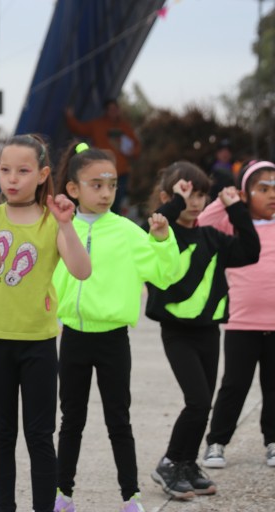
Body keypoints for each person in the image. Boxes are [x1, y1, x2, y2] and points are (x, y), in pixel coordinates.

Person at [0, 134, 91, 512]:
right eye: (5, 170)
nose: (12, 179)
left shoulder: (53, 221)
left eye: (23, 171)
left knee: (39, 436)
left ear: (42, 174)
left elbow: (81, 270)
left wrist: (66, 225)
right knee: (1, 436)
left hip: (38, 342)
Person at [51, 142, 180, 512]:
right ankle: (62, 494)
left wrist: (162, 240)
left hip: (113, 340)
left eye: (112, 184)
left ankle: (130, 496)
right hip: (73, 336)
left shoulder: (127, 231)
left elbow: (165, 274)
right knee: (71, 421)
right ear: (73, 188)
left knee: (118, 420)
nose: (106, 193)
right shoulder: (60, 227)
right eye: (96, 185)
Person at [145, 162, 259, 500]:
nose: (195, 202)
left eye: (200, 195)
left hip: (208, 331)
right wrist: (175, 203)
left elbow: (250, 251)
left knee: (204, 403)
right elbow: (156, 226)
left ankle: (187, 463)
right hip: (177, 332)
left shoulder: (210, 236)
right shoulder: (163, 235)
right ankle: (169, 462)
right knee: (196, 401)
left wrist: (235, 209)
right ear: (167, 198)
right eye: (187, 195)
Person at [198, 160, 275, 470]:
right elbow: (202, 223)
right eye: (263, 189)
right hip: (242, 322)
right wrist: (225, 202)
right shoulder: (234, 226)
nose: (272, 195)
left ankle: (273, 441)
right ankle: (217, 442)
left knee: (273, 387)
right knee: (234, 385)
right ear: (245, 194)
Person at [65, 99, 140, 215]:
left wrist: (132, 152)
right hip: (101, 172)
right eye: (110, 109)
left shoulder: (124, 127)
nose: (113, 112)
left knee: (116, 203)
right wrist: (69, 117)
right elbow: (79, 128)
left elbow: (136, 146)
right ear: (106, 111)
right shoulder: (97, 125)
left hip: (121, 173)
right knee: (99, 200)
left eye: (115, 109)